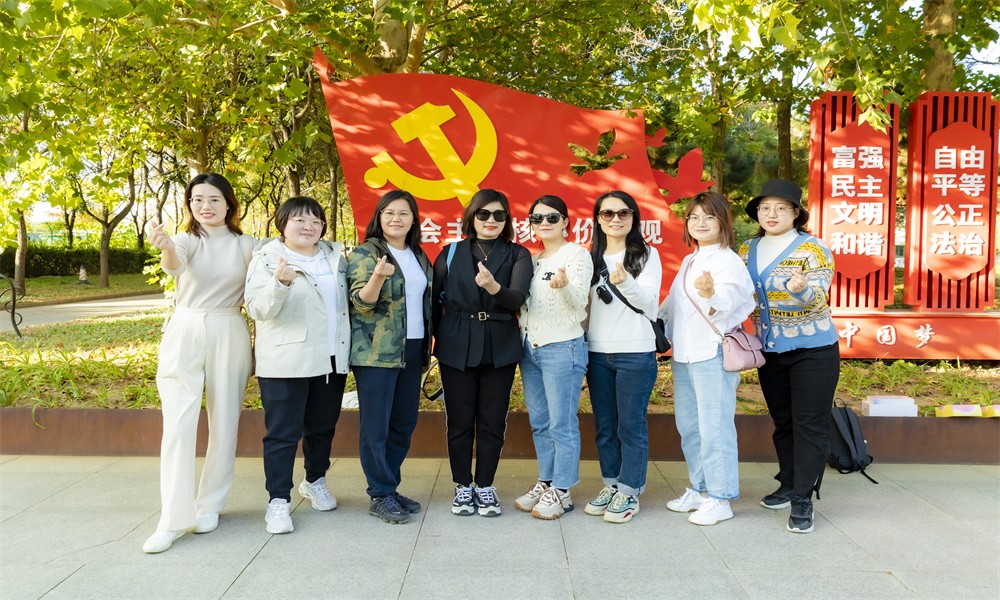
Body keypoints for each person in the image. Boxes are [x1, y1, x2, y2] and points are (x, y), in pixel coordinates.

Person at [143, 173, 255, 554]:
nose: (205, 206)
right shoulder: (184, 240)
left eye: (213, 199)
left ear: (229, 203)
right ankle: (172, 519)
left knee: (225, 421)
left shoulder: (246, 245)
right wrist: (165, 247)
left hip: (229, 326)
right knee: (178, 422)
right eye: (197, 200)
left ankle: (209, 505)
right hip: (186, 327)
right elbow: (174, 265)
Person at [243, 196, 351, 535]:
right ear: (283, 224)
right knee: (283, 434)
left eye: (316, 221)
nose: (309, 226)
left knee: (322, 427)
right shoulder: (266, 259)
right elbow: (257, 309)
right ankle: (278, 500)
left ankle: (315, 480)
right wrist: (280, 285)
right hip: (286, 361)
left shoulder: (335, 258)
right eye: (300, 220)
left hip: (331, 358)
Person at [739, 178, 839, 534]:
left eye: (781, 208)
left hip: (813, 350)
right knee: (783, 422)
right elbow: (740, 295)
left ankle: (802, 499)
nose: (772, 214)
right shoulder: (747, 249)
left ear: (796, 213)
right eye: (765, 208)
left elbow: (818, 296)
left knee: (809, 425)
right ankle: (789, 482)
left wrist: (801, 290)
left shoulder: (813, 249)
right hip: (771, 351)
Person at [432, 189, 532, 517]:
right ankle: (463, 485)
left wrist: (493, 287)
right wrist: (436, 343)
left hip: (499, 343)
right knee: (459, 420)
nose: (491, 220)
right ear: (471, 217)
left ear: (507, 220)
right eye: (483, 214)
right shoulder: (450, 253)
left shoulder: (518, 254)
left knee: (492, 420)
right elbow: (433, 303)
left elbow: (517, 298)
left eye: (499, 215)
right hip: (456, 343)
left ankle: (485, 485)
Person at [664, 191, 755, 526]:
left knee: (714, 428)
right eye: (694, 217)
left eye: (708, 217)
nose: (700, 223)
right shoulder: (691, 260)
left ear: (723, 222)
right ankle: (701, 489)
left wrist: (709, 293)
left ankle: (721, 497)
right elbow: (673, 305)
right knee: (689, 427)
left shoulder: (728, 261)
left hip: (712, 353)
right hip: (684, 354)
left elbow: (728, 304)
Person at [348, 189, 433, 524]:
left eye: (403, 214)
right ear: (379, 218)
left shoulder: (418, 255)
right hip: (376, 352)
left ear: (413, 220)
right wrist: (377, 278)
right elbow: (361, 303)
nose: (396, 219)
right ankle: (379, 493)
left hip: (412, 347)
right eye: (389, 213)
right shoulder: (367, 253)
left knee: (403, 422)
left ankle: (390, 486)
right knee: (376, 425)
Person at [583, 191, 662, 524]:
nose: (615, 219)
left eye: (623, 213)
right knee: (605, 426)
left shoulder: (646, 255)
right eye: (607, 213)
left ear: (633, 218)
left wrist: (625, 281)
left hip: (635, 352)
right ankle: (612, 484)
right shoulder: (588, 258)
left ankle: (630, 490)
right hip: (597, 352)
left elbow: (649, 304)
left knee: (630, 425)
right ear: (598, 219)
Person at [514, 195, 593, 520]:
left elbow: (579, 302)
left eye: (551, 217)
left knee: (562, 423)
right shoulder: (532, 260)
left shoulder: (576, 254)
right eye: (537, 218)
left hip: (562, 347)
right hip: (530, 349)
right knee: (540, 422)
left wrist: (564, 286)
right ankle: (546, 481)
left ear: (565, 222)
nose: (544, 223)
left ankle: (562, 490)